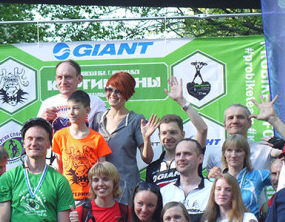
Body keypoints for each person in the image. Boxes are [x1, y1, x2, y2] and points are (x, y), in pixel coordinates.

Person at [90, 72, 159, 204]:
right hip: (100, 188)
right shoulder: (98, 118)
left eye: (119, 91)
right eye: (109, 89)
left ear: (127, 93)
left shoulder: (135, 120)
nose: (113, 95)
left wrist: (146, 139)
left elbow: (147, 158)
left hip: (125, 189)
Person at [145, 77, 208, 188]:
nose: (168, 137)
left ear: (182, 135)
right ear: (159, 136)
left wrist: (182, 101)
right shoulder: (152, 168)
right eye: (164, 133)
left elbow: (202, 129)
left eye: (173, 132)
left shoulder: (191, 158)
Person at [205, 97, 285, 171]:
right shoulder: (214, 153)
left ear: (250, 123)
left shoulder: (264, 149)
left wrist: (273, 119)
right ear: (225, 125)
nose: (235, 121)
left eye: (240, 117)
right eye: (230, 118)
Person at [52, 90, 111, 202]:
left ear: (88, 110)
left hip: (91, 197)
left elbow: (103, 170)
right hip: (67, 196)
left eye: (76, 108)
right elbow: (59, 168)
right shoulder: (60, 136)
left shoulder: (97, 138)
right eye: (68, 108)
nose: (71, 112)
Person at [159, 139, 213, 222]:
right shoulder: (164, 192)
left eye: (187, 154)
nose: (181, 158)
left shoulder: (213, 190)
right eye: (178, 154)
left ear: (200, 158)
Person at [208, 134, 271, 215]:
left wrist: (282, 147)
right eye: (229, 150)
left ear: (246, 154)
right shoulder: (216, 179)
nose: (233, 155)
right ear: (224, 154)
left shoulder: (258, 175)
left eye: (238, 151)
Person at [38, 60, 105, 133]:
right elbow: (37, 134)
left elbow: (108, 129)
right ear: (56, 79)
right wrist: (41, 121)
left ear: (79, 79)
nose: (63, 82)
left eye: (68, 77)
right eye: (60, 77)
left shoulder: (95, 102)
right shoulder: (47, 103)